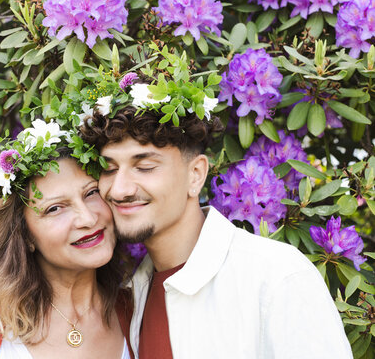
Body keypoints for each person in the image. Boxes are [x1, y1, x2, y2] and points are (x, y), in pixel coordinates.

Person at [81, 102, 353, 358]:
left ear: (196, 174)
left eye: (145, 167)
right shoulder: (133, 295)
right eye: (109, 169)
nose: (119, 189)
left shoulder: (276, 276)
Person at [0, 126, 134, 358]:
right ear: (25, 235)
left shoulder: (138, 313)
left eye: (91, 193)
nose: (88, 219)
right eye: (55, 208)